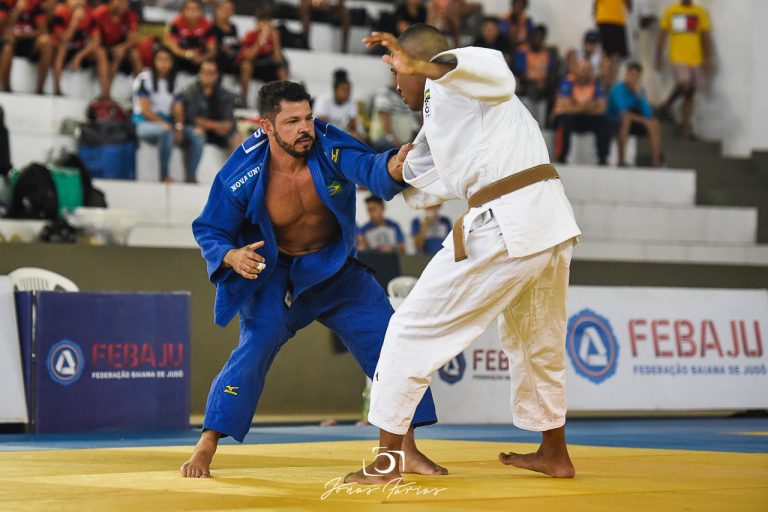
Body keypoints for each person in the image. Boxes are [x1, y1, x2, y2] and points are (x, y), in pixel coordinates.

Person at [346, 25, 581, 485]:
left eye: (399, 70)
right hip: (547, 222)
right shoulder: (447, 113)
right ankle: (555, 454)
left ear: (422, 61)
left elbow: (494, 73)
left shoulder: (463, 71)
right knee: (536, 341)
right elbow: (416, 172)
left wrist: (426, 66)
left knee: (409, 328)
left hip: (508, 222)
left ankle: (388, 462)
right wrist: (385, 167)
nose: (397, 82)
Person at [181, 80, 443, 479]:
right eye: (292, 122)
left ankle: (403, 450)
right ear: (267, 127)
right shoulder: (243, 170)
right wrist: (232, 255)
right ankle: (206, 445)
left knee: (392, 346)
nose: (305, 127)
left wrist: (396, 164)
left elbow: (370, 167)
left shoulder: (328, 143)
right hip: (274, 275)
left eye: (308, 117)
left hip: (335, 270)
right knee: (253, 349)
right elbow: (209, 228)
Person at [173, 58, 241, 183]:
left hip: (218, 132)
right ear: (200, 73)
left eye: (211, 73)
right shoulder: (191, 91)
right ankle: (190, 176)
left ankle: (234, 178)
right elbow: (192, 117)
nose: (208, 76)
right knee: (197, 133)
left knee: (237, 138)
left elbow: (229, 122)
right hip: (197, 128)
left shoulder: (224, 94)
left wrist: (218, 127)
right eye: (205, 72)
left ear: (217, 75)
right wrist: (215, 126)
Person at [655, 0, 711, 139]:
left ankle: (686, 129)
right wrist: (658, 56)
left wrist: (708, 57)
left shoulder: (700, 12)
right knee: (685, 85)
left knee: (690, 93)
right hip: (678, 56)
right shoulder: (671, 10)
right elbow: (662, 34)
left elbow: (705, 35)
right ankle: (667, 105)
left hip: (696, 58)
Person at [132, 46, 181, 182]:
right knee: (166, 131)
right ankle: (164, 174)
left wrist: (179, 126)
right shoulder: (144, 78)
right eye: (160, 59)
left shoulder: (174, 83)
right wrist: (163, 123)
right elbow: (145, 109)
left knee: (194, 136)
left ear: (171, 63)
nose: (163, 64)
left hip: (165, 123)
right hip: (143, 123)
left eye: (167, 60)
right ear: (154, 61)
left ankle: (191, 176)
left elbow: (178, 108)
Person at [553, 59, 611, 165]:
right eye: (582, 70)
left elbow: (602, 108)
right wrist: (587, 106)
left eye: (587, 70)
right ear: (575, 70)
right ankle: (562, 156)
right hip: (571, 118)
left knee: (603, 121)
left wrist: (575, 106)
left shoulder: (596, 84)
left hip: (587, 118)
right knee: (564, 120)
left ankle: (603, 158)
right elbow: (564, 107)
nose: (584, 73)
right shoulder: (567, 83)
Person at [51, 0, 110, 98]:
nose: (79, 2)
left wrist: (80, 56)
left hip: (81, 50)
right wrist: (75, 21)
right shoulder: (60, 12)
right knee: (62, 49)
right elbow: (64, 39)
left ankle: (105, 95)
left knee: (101, 52)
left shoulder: (91, 14)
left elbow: (96, 41)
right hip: (63, 49)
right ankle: (57, 90)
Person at [608, 61, 660, 167]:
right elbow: (623, 112)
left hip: (633, 121)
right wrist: (644, 121)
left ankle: (655, 163)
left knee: (654, 123)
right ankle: (621, 161)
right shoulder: (617, 89)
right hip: (614, 120)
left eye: (637, 76)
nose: (633, 78)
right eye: (631, 75)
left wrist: (640, 96)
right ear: (626, 75)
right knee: (626, 120)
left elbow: (648, 114)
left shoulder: (641, 90)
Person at [238, 1, 288, 102]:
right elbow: (249, 56)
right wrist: (260, 40)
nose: (265, 25)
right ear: (257, 23)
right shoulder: (250, 35)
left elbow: (278, 60)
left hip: (267, 66)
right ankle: (243, 99)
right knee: (246, 66)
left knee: (282, 70)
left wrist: (276, 41)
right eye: (263, 22)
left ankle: (285, 100)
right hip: (254, 66)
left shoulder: (273, 36)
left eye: (267, 22)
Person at [0, 0, 53, 94]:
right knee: (8, 46)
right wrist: (17, 11)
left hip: (28, 43)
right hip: (9, 42)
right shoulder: (5, 3)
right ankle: (5, 88)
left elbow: (42, 30)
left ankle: (39, 90)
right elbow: (2, 29)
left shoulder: (34, 5)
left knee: (46, 43)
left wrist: (23, 34)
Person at [514, 24, 558, 126]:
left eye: (540, 37)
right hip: (527, 84)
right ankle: (530, 122)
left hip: (543, 85)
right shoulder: (522, 51)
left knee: (554, 90)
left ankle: (548, 124)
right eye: (535, 36)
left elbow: (552, 73)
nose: (537, 39)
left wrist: (545, 83)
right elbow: (520, 73)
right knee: (531, 90)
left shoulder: (548, 53)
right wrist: (536, 82)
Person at [92, 0, 142, 86]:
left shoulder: (130, 14)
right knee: (101, 53)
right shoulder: (99, 13)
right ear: (111, 2)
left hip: (119, 47)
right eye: (120, 2)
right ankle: (105, 95)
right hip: (101, 46)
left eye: (126, 3)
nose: (124, 5)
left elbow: (132, 39)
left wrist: (122, 47)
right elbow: (95, 40)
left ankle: (143, 89)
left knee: (134, 54)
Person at [368, 74, 420, 152]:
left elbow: (420, 120)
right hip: (386, 140)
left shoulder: (411, 95)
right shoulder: (384, 93)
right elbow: (385, 124)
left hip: (405, 142)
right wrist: (397, 143)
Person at [164, 0, 216, 75]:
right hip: (181, 56)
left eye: (195, 9)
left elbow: (212, 50)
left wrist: (202, 58)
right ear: (182, 11)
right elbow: (173, 47)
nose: (192, 12)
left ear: (201, 11)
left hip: (201, 58)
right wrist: (189, 54)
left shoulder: (207, 25)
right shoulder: (175, 24)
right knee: (167, 55)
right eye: (189, 9)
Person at [314, 68, 362, 140]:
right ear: (335, 90)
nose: (348, 94)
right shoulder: (323, 100)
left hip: (340, 136)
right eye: (344, 90)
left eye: (349, 91)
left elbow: (353, 127)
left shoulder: (351, 103)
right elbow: (320, 125)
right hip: (324, 133)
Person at [594, 0, 631, 85]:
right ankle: (602, 88)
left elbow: (629, 6)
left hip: (619, 21)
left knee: (616, 58)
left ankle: (610, 87)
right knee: (604, 56)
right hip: (605, 19)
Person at [211, 0, 240, 85]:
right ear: (218, 10)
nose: (228, 12)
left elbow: (236, 44)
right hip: (219, 60)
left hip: (233, 60)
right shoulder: (213, 28)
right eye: (226, 9)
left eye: (231, 9)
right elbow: (213, 46)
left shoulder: (233, 27)